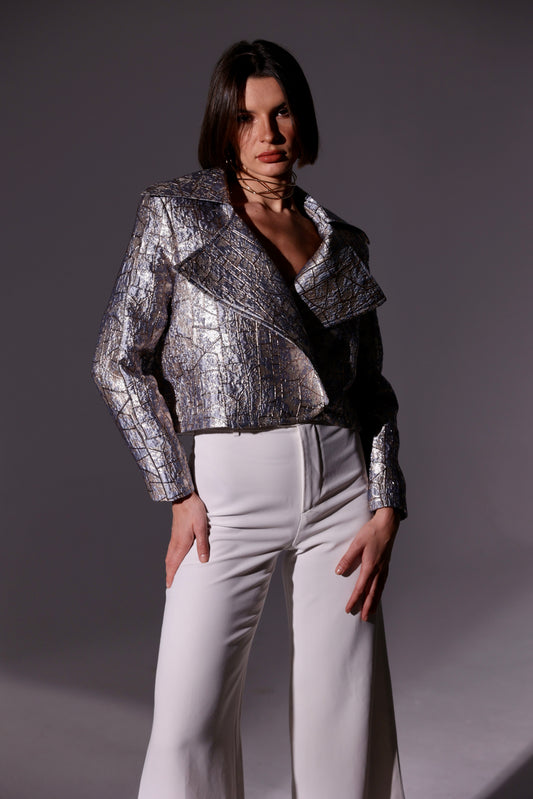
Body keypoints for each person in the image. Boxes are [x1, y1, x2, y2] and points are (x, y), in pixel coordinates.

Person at [93, 39, 407, 799]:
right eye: (247, 117)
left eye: (282, 112)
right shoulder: (178, 215)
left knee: (344, 723)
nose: (268, 133)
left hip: (341, 495)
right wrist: (177, 490)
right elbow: (117, 358)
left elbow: (370, 388)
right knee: (187, 726)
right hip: (227, 494)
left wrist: (386, 503)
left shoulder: (342, 241)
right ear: (223, 126)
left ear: (302, 120)